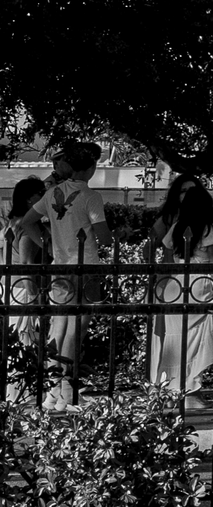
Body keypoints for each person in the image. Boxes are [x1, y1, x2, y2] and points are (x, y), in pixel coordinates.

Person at [142, 176, 213, 400]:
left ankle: (170, 389)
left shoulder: (176, 227)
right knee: (194, 340)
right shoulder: (209, 229)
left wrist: (158, 289)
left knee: (173, 340)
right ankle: (188, 391)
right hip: (199, 285)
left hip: (175, 285)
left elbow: (166, 262)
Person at [41, 142, 109, 407]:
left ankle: (53, 388)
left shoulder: (52, 193)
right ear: (91, 167)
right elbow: (103, 236)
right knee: (76, 329)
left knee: (59, 326)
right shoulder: (91, 196)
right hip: (87, 267)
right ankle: (67, 387)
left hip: (60, 267)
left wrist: (49, 243)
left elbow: (27, 221)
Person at [4, 176, 51, 405]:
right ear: (29, 199)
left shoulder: (12, 223)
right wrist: (34, 296)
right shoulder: (26, 225)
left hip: (11, 288)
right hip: (24, 289)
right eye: (40, 193)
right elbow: (27, 264)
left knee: (19, 342)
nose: (44, 197)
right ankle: (26, 397)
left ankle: (18, 394)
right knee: (27, 340)